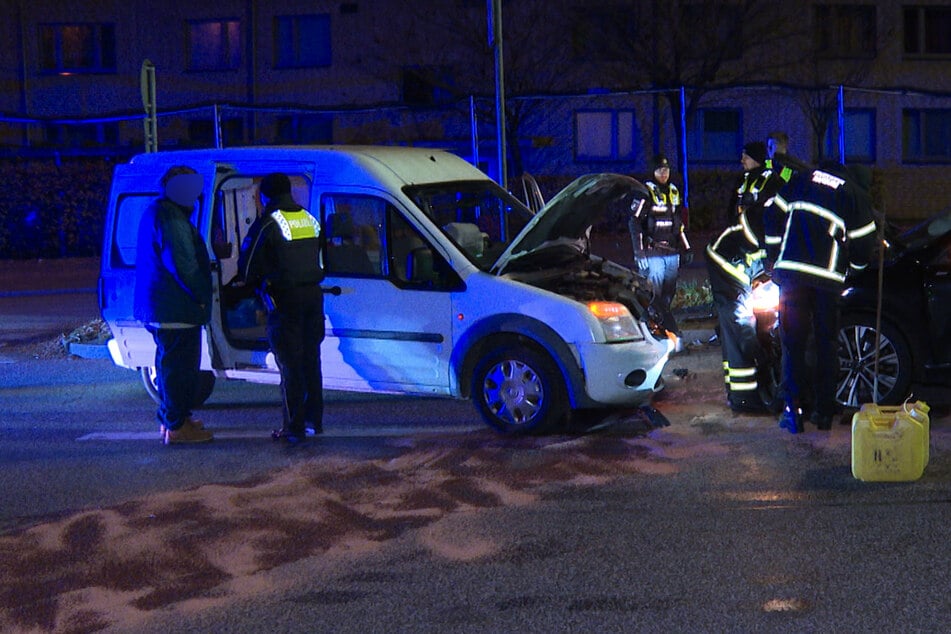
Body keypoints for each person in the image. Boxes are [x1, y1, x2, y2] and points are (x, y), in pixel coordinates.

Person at [766, 162, 877, 433]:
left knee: (793, 344)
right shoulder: (852, 193)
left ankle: (793, 411)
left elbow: (770, 215)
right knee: (826, 344)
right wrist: (853, 269)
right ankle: (824, 412)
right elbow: (864, 243)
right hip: (827, 281)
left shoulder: (801, 180)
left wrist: (773, 256)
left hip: (791, 276)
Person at [238, 173, 326, 444]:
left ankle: (293, 427)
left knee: (290, 365)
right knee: (311, 361)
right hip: (313, 297)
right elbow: (322, 259)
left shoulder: (268, 223)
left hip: (284, 301)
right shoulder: (309, 220)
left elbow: (247, 267)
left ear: (264, 196)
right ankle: (313, 421)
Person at [133, 165, 214, 445]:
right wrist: (204, 295)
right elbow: (183, 266)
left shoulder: (160, 211)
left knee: (170, 366)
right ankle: (178, 428)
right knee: (179, 370)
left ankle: (173, 418)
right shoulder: (171, 218)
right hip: (174, 308)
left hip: (163, 305)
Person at [705, 141, 774, 413]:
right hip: (728, 263)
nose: (742, 160)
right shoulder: (746, 184)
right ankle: (746, 399)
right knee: (740, 324)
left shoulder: (768, 182)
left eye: (746, 156)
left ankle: (739, 395)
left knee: (734, 329)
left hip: (734, 256)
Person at [629, 154, 691, 345]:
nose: (663, 173)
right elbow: (634, 222)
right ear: (653, 171)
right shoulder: (644, 192)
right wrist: (639, 253)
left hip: (672, 253)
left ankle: (663, 331)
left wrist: (686, 248)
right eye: (659, 170)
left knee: (667, 296)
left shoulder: (674, 191)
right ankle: (660, 333)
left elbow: (678, 224)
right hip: (653, 253)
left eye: (666, 170)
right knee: (653, 296)